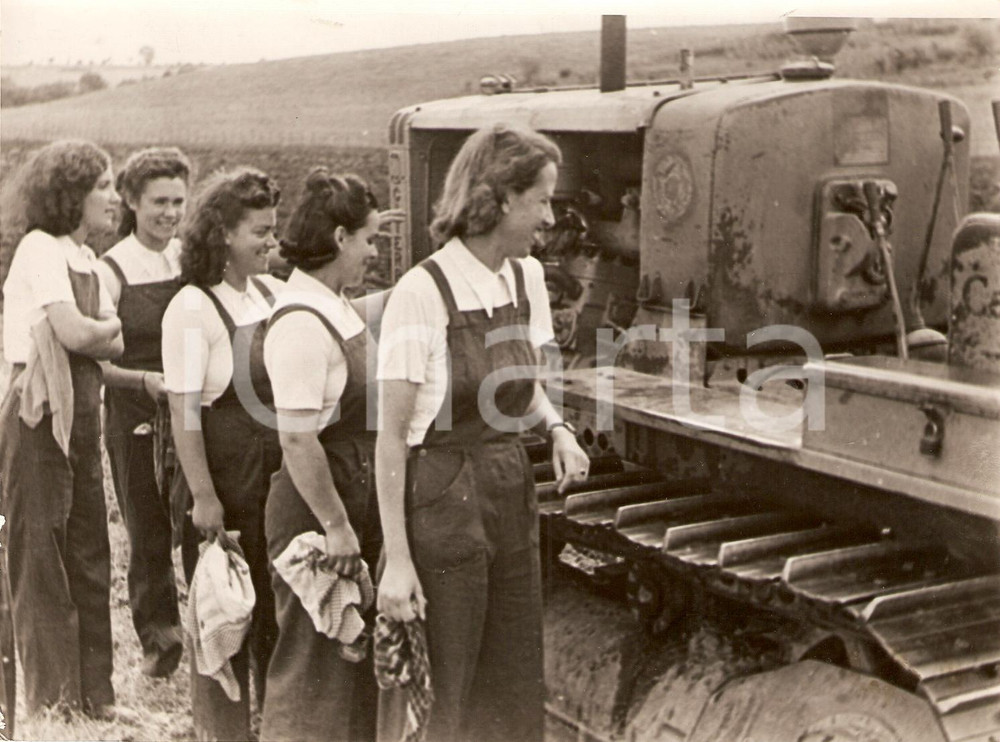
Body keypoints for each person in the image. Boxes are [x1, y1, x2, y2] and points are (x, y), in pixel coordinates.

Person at [375, 122, 591, 742]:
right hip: (442, 494)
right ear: (498, 199)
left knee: (514, 678)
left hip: (506, 484)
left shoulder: (525, 280)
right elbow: (390, 437)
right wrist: (396, 561)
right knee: (448, 684)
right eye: (543, 200)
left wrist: (556, 428)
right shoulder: (423, 292)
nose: (550, 217)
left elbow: (519, 388)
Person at [260, 168, 389, 742]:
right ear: (340, 239)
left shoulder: (333, 303)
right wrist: (336, 526)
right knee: (311, 667)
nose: (374, 251)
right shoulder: (301, 323)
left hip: (346, 499)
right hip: (316, 515)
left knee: (345, 669)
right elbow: (296, 438)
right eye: (369, 238)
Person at [0, 140, 124, 718]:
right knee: (41, 550)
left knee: (89, 545)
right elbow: (79, 335)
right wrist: (106, 323)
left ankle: (95, 693)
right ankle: (53, 700)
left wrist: (101, 329)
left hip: (83, 413)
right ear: (69, 193)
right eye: (103, 186)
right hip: (38, 414)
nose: (113, 198)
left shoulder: (90, 263)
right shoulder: (40, 249)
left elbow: (107, 342)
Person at [160, 167, 284, 741]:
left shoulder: (265, 292)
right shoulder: (191, 308)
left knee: (272, 612)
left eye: (273, 229)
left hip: (271, 474)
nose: (270, 241)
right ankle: (222, 733)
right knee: (224, 608)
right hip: (222, 473)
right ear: (223, 234)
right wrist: (205, 499)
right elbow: (183, 414)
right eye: (260, 231)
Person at [94, 146, 191, 678]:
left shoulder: (189, 259)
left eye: (178, 201)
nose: (170, 213)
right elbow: (92, 364)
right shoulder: (110, 271)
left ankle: (213, 628)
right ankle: (161, 644)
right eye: (158, 201)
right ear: (132, 200)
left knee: (201, 524)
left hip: (190, 412)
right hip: (136, 415)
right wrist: (144, 382)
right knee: (149, 531)